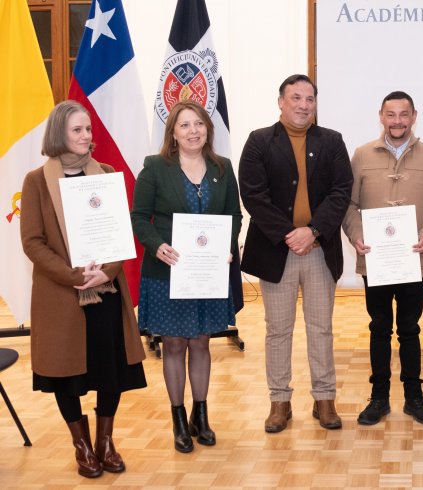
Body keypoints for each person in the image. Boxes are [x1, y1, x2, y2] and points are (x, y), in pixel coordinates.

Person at [20, 101, 146, 477]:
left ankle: (106, 442)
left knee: (111, 368)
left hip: (105, 291)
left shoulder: (105, 174)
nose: (86, 136)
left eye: (88, 129)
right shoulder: (36, 181)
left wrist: (106, 273)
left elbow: (120, 235)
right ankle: (82, 445)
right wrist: (75, 276)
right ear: (59, 132)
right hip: (61, 295)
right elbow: (33, 242)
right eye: (78, 130)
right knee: (65, 373)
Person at [239, 74, 353, 432]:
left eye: (310, 99)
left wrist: (314, 231)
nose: (303, 105)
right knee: (278, 331)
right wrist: (292, 235)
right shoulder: (259, 141)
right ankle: (279, 402)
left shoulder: (332, 141)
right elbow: (253, 195)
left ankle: (325, 399)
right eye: (296, 98)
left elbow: (341, 190)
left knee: (321, 329)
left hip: (320, 251)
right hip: (277, 252)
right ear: (281, 102)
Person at [131, 100, 242, 453]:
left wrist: (228, 246)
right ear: (173, 133)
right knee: (175, 344)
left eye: (199, 124)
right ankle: (178, 419)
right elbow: (138, 217)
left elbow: (234, 215)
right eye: (185, 125)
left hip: (208, 273)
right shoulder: (154, 168)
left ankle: (201, 415)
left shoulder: (222, 168)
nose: (193, 131)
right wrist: (157, 245)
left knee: (202, 343)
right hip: (168, 273)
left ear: (208, 129)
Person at [342, 91, 423, 426]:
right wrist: (357, 235)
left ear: (414, 116)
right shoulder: (361, 155)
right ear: (381, 116)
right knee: (378, 327)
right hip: (375, 259)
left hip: (413, 259)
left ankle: (414, 398)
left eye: (404, 114)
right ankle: (378, 397)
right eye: (391, 115)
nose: (398, 121)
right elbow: (348, 205)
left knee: (409, 328)